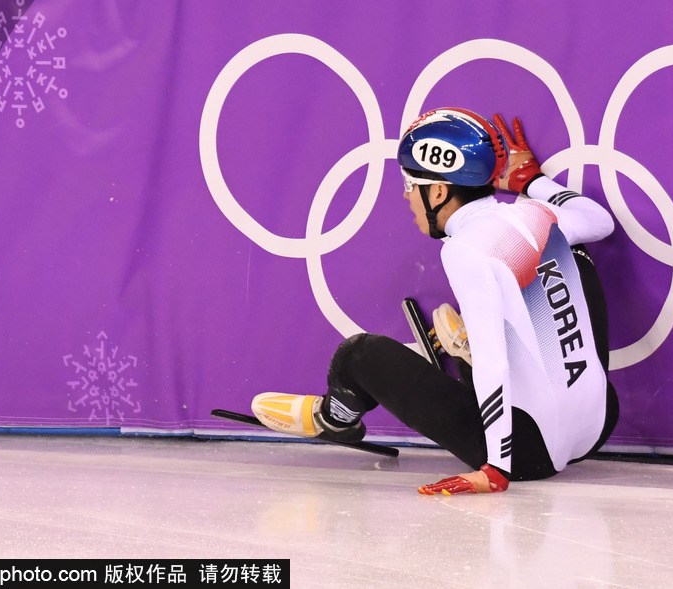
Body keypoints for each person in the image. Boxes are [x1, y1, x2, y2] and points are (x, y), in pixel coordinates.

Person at [251, 108, 619, 495]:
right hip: (599, 422)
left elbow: (493, 364)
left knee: (359, 355)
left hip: (529, 453)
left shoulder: (464, 250)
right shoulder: (536, 212)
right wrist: (533, 182)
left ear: (439, 191)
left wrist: (495, 468)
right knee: (574, 254)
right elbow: (600, 221)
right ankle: (469, 353)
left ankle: (335, 416)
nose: (406, 196)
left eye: (410, 184)